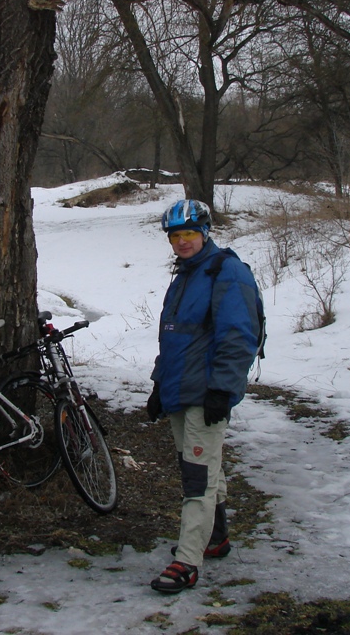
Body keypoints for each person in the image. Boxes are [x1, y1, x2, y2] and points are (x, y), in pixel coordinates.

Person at [147, 199, 261, 594]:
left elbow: (239, 336)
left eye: (189, 233)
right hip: (180, 389)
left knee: (198, 476)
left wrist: (222, 390)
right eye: (175, 236)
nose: (182, 241)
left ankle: (187, 561)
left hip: (206, 392)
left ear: (205, 233)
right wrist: (159, 384)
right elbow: (174, 338)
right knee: (201, 466)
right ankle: (215, 537)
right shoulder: (185, 275)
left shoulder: (226, 271)